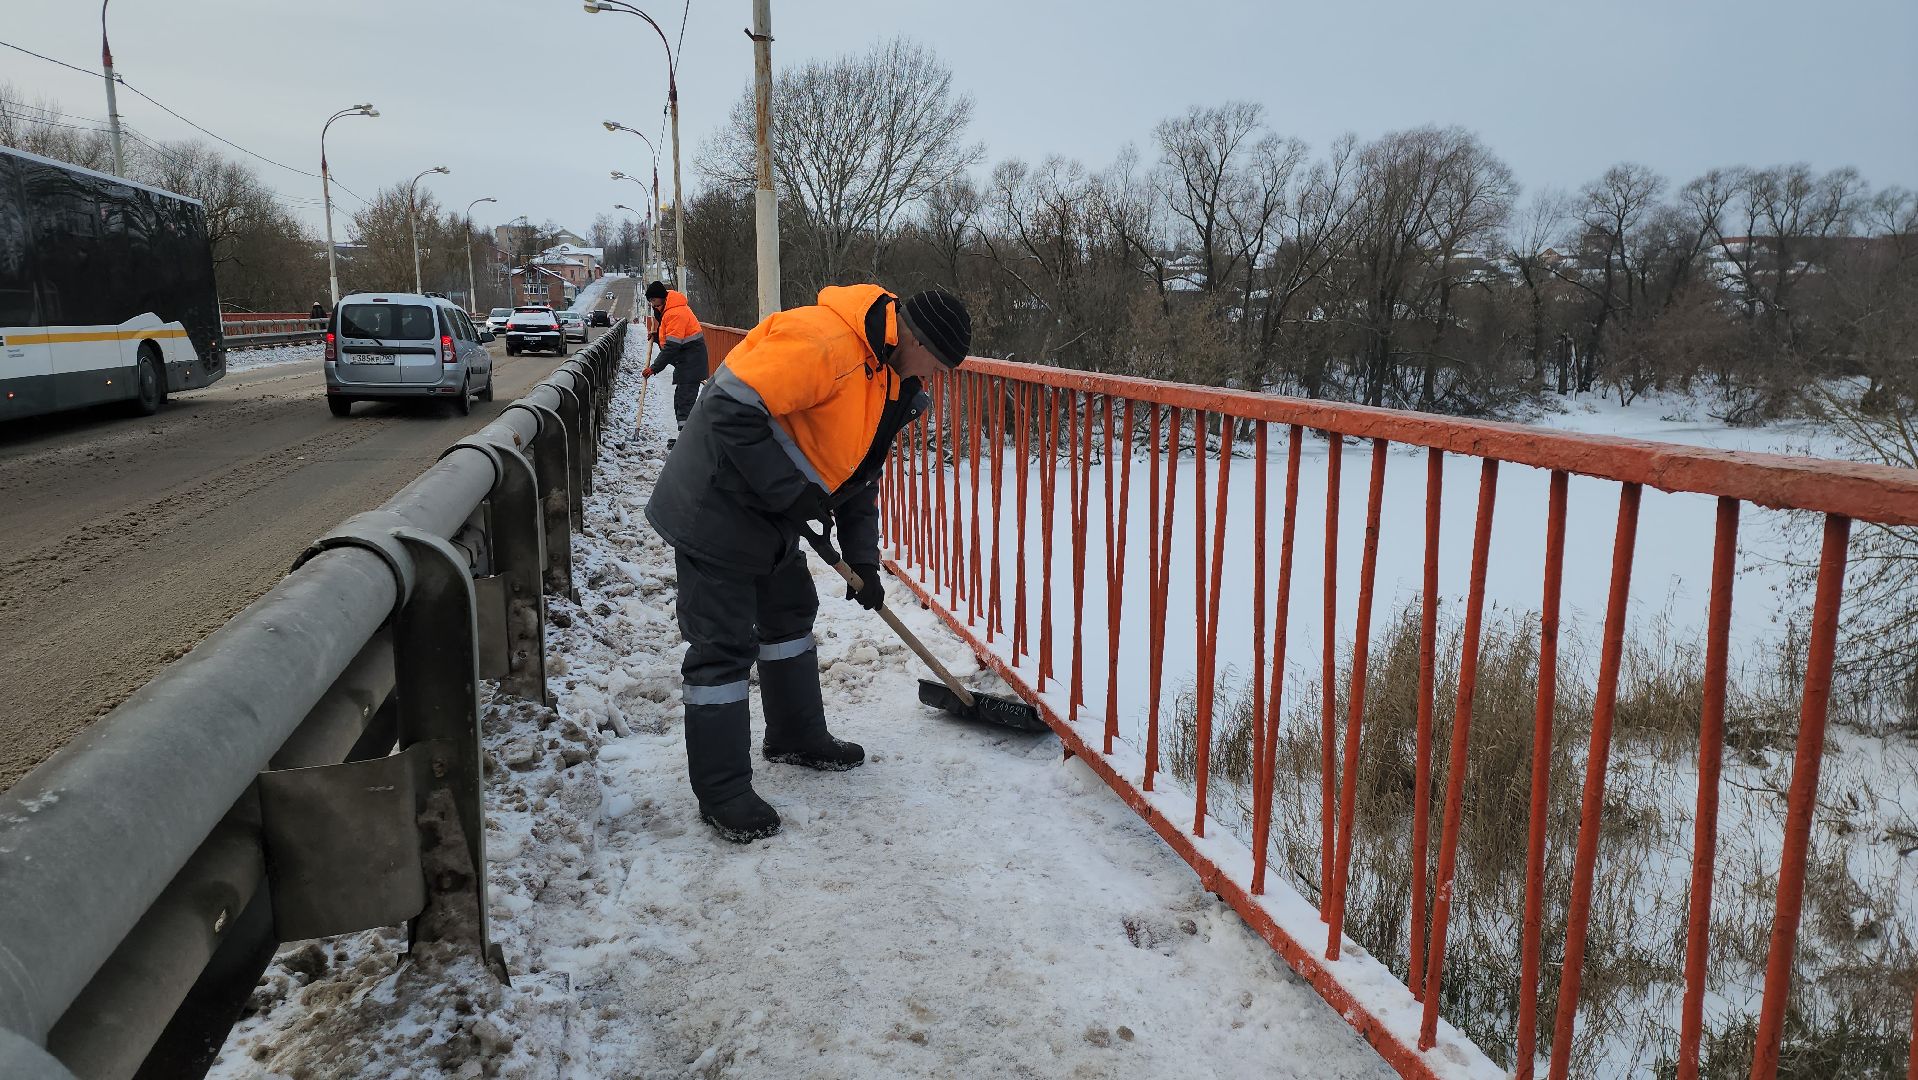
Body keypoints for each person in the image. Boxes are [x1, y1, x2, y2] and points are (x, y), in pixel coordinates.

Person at [644, 285, 972, 843]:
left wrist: (864, 563)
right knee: (723, 644)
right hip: (715, 501)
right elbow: (726, 406)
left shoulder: (892, 380)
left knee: (790, 612)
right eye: (937, 363)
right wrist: (791, 494)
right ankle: (721, 790)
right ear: (914, 338)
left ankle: (795, 735)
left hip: (770, 510)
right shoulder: (825, 343)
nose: (936, 377)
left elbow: (858, 478)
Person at [640, 281, 707, 449]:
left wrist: (654, 368)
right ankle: (686, 440)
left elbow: (672, 346)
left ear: (660, 298)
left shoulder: (675, 313)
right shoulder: (669, 309)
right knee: (681, 401)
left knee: (685, 402)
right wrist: (656, 337)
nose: (652, 305)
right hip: (687, 363)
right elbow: (670, 339)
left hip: (691, 363)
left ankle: (688, 445)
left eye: (653, 301)